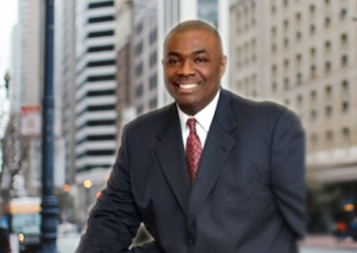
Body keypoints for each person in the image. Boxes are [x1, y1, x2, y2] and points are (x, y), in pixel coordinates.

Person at [76, 20, 305, 252]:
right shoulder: (138, 137)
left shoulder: (269, 125)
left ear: (221, 65)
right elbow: (111, 220)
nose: (185, 70)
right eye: (174, 61)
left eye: (200, 59)